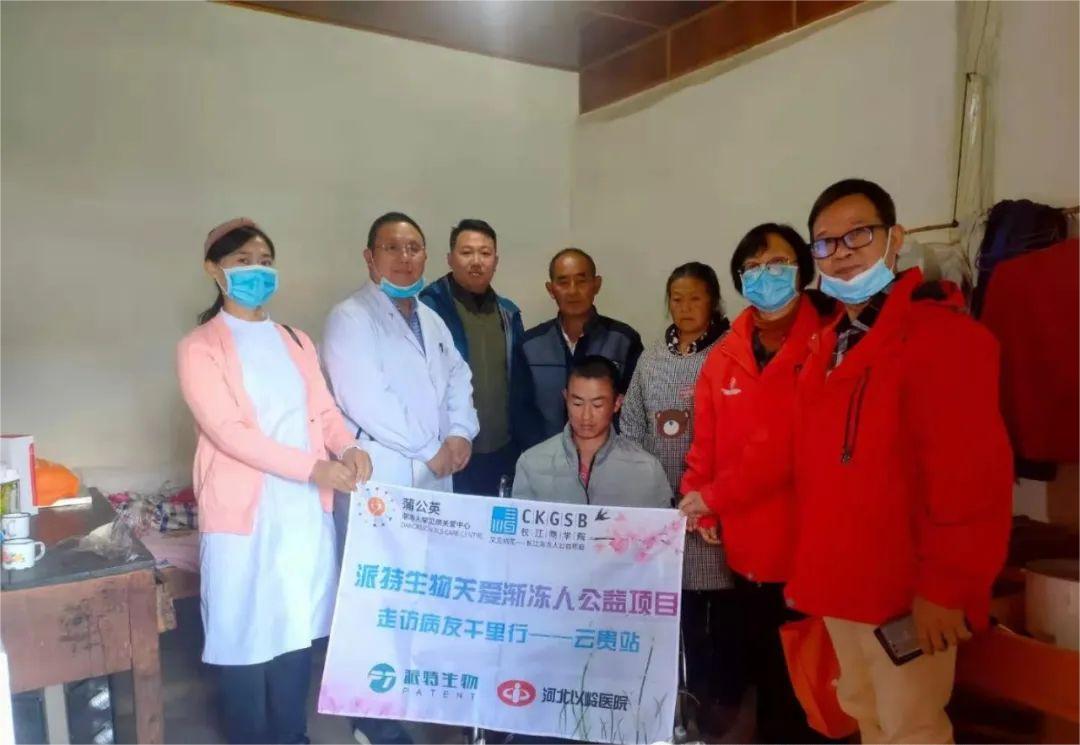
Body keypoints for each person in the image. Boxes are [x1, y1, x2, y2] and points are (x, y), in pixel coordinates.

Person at [786, 179, 1012, 743]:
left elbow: (971, 478)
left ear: (895, 239)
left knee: (911, 724)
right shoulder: (828, 345)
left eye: (858, 235)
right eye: (825, 243)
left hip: (905, 590)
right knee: (863, 710)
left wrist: (946, 588)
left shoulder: (942, 337)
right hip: (842, 579)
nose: (841, 253)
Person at [177, 218, 372, 744]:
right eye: (242, 261)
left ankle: (292, 736)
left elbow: (325, 411)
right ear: (214, 270)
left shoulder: (294, 339)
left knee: (295, 630)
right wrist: (314, 468)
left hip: (304, 512)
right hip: (244, 517)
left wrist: (350, 447)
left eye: (264, 260)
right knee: (243, 633)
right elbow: (229, 432)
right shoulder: (200, 347)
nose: (256, 271)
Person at [322, 211, 480, 744]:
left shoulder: (431, 320)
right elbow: (367, 398)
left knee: (424, 595)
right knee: (378, 601)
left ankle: (415, 698)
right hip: (383, 477)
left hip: (433, 475)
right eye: (392, 247)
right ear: (370, 257)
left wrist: (460, 433)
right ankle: (372, 720)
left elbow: (459, 379)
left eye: (414, 248)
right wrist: (433, 448)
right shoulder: (349, 318)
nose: (404, 257)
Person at [677, 225, 837, 743]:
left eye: (778, 264)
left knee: (816, 682)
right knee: (766, 670)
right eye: (752, 268)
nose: (765, 276)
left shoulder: (830, 340)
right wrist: (700, 500)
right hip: (746, 549)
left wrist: (713, 496)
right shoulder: (726, 353)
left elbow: (788, 448)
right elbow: (705, 440)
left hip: (813, 545)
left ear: (803, 269)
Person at [419, 219, 536, 495]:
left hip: (501, 448)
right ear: (450, 258)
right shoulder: (427, 309)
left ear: (496, 261)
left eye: (485, 253)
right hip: (446, 449)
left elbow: (519, 385)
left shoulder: (508, 314)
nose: (476, 261)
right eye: (466, 252)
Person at [513, 355, 669, 509]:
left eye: (597, 405)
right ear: (566, 398)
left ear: (617, 403)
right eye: (577, 403)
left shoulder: (646, 469)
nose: (586, 416)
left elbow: (665, 523)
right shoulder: (531, 463)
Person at [520, 248, 643, 443]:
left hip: (609, 455)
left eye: (581, 281)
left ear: (596, 285)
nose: (572, 290)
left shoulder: (623, 340)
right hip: (546, 456)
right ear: (551, 289)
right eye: (563, 282)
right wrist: (542, 454)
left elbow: (634, 410)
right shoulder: (530, 344)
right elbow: (521, 411)